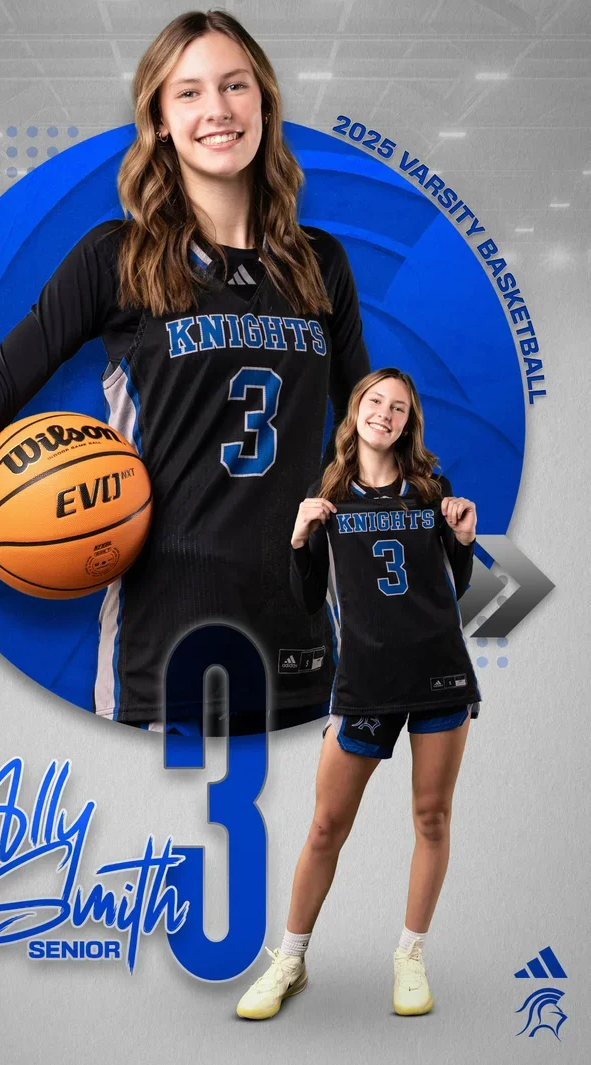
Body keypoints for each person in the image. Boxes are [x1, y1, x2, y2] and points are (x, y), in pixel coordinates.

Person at [0, 9, 370, 732]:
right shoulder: (119, 257)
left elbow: (364, 439)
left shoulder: (319, 262)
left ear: (264, 102)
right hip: (161, 650)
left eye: (236, 86)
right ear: (161, 122)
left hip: (301, 646)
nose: (218, 110)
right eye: (190, 93)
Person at [236, 367, 479, 1018]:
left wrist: (461, 541)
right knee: (324, 827)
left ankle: (410, 953)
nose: (386, 413)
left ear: (409, 421)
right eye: (377, 401)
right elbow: (308, 597)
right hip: (366, 679)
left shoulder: (430, 488)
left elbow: (452, 584)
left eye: (400, 406)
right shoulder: (330, 491)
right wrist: (298, 536)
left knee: (431, 817)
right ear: (357, 410)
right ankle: (290, 959)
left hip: (438, 672)